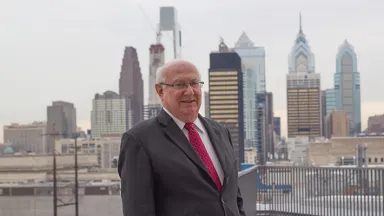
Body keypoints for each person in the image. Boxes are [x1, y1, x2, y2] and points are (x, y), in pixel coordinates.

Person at [118, 59, 246, 216]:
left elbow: (233, 198)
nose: (190, 91)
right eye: (180, 84)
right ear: (160, 91)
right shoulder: (139, 140)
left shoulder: (221, 132)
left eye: (194, 83)